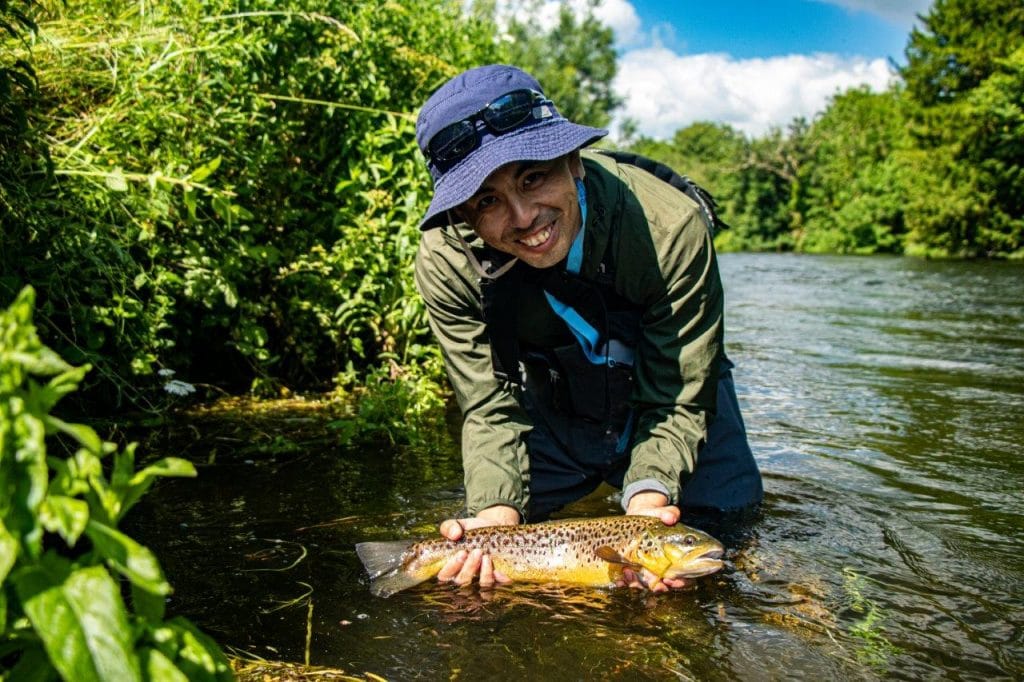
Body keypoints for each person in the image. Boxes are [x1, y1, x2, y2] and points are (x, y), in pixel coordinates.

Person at [413, 64, 762, 592]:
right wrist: (495, 515)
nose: (524, 216)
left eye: (533, 177)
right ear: (462, 214)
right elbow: (489, 406)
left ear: (572, 161)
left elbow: (679, 390)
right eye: (487, 200)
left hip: (671, 385)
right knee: (497, 544)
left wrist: (646, 507)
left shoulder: (672, 230)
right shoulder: (447, 264)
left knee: (732, 544)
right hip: (555, 398)